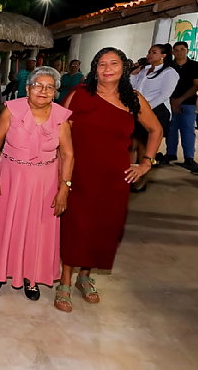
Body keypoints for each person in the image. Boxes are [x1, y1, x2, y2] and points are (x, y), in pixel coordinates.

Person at [58, 47, 162, 312]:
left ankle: (85, 276)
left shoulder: (133, 99)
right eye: (102, 64)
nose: (107, 68)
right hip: (79, 171)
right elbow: (59, 129)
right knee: (75, 224)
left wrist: (146, 163)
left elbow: (156, 129)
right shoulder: (79, 94)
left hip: (114, 175)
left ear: (123, 68)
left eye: (114, 63)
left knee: (103, 226)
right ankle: (65, 280)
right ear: (95, 69)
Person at [0, 66, 73, 302]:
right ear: (27, 88)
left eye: (49, 87)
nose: (43, 91)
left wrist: (64, 188)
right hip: (10, 178)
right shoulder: (12, 110)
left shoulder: (61, 117)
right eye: (38, 85)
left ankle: (30, 276)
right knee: (6, 224)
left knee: (37, 229)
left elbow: (67, 154)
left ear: (55, 92)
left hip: (44, 184)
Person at [129, 44, 178, 191]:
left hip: (157, 110)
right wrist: (133, 75)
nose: (149, 55)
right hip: (138, 110)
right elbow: (133, 89)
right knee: (132, 144)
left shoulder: (169, 72)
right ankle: (130, 177)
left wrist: (145, 108)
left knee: (145, 145)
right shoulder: (144, 70)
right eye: (149, 52)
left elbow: (164, 95)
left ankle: (140, 181)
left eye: (154, 52)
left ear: (163, 55)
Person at [163, 42, 198, 167]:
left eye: (182, 49)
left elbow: (197, 85)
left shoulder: (195, 66)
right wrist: (172, 101)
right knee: (171, 129)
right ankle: (170, 153)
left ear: (187, 50)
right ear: (173, 52)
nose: (179, 52)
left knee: (188, 129)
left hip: (189, 103)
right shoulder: (169, 66)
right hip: (170, 102)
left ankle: (189, 157)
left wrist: (180, 100)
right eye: (176, 50)